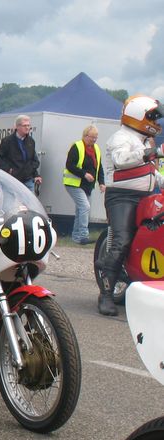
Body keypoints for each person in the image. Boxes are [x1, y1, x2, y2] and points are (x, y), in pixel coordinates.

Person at [95, 95, 164, 316]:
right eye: (152, 117)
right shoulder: (120, 137)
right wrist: (154, 152)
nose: (155, 122)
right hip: (122, 198)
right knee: (121, 241)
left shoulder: (143, 141)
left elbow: (152, 173)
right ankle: (105, 296)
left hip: (146, 197)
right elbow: (121, 160)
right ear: (138, 116)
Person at [63, 125, 105, 245]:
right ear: (85, 135)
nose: (94, 140)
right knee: (85, 207)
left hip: (87, 186)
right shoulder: (76, 146)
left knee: (81, 209)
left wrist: (101, 183)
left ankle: (76, 237)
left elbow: (99, 167)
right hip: (74, 184)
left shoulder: (96, 148)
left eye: (96, 137)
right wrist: (84, 174)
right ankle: (83, 235)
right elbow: (69, 165)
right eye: (92, 137)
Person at [0, 114, 43, 191]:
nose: (27, 128)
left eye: (28, 125)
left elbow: (34, 160)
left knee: (29, 203)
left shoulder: (31, 141)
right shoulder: (7, 141)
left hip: (28, 180)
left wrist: (36, 175)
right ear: (17, 126)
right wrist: (9, 170)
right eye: (24, 125)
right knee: (12, 202)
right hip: (13, 181)